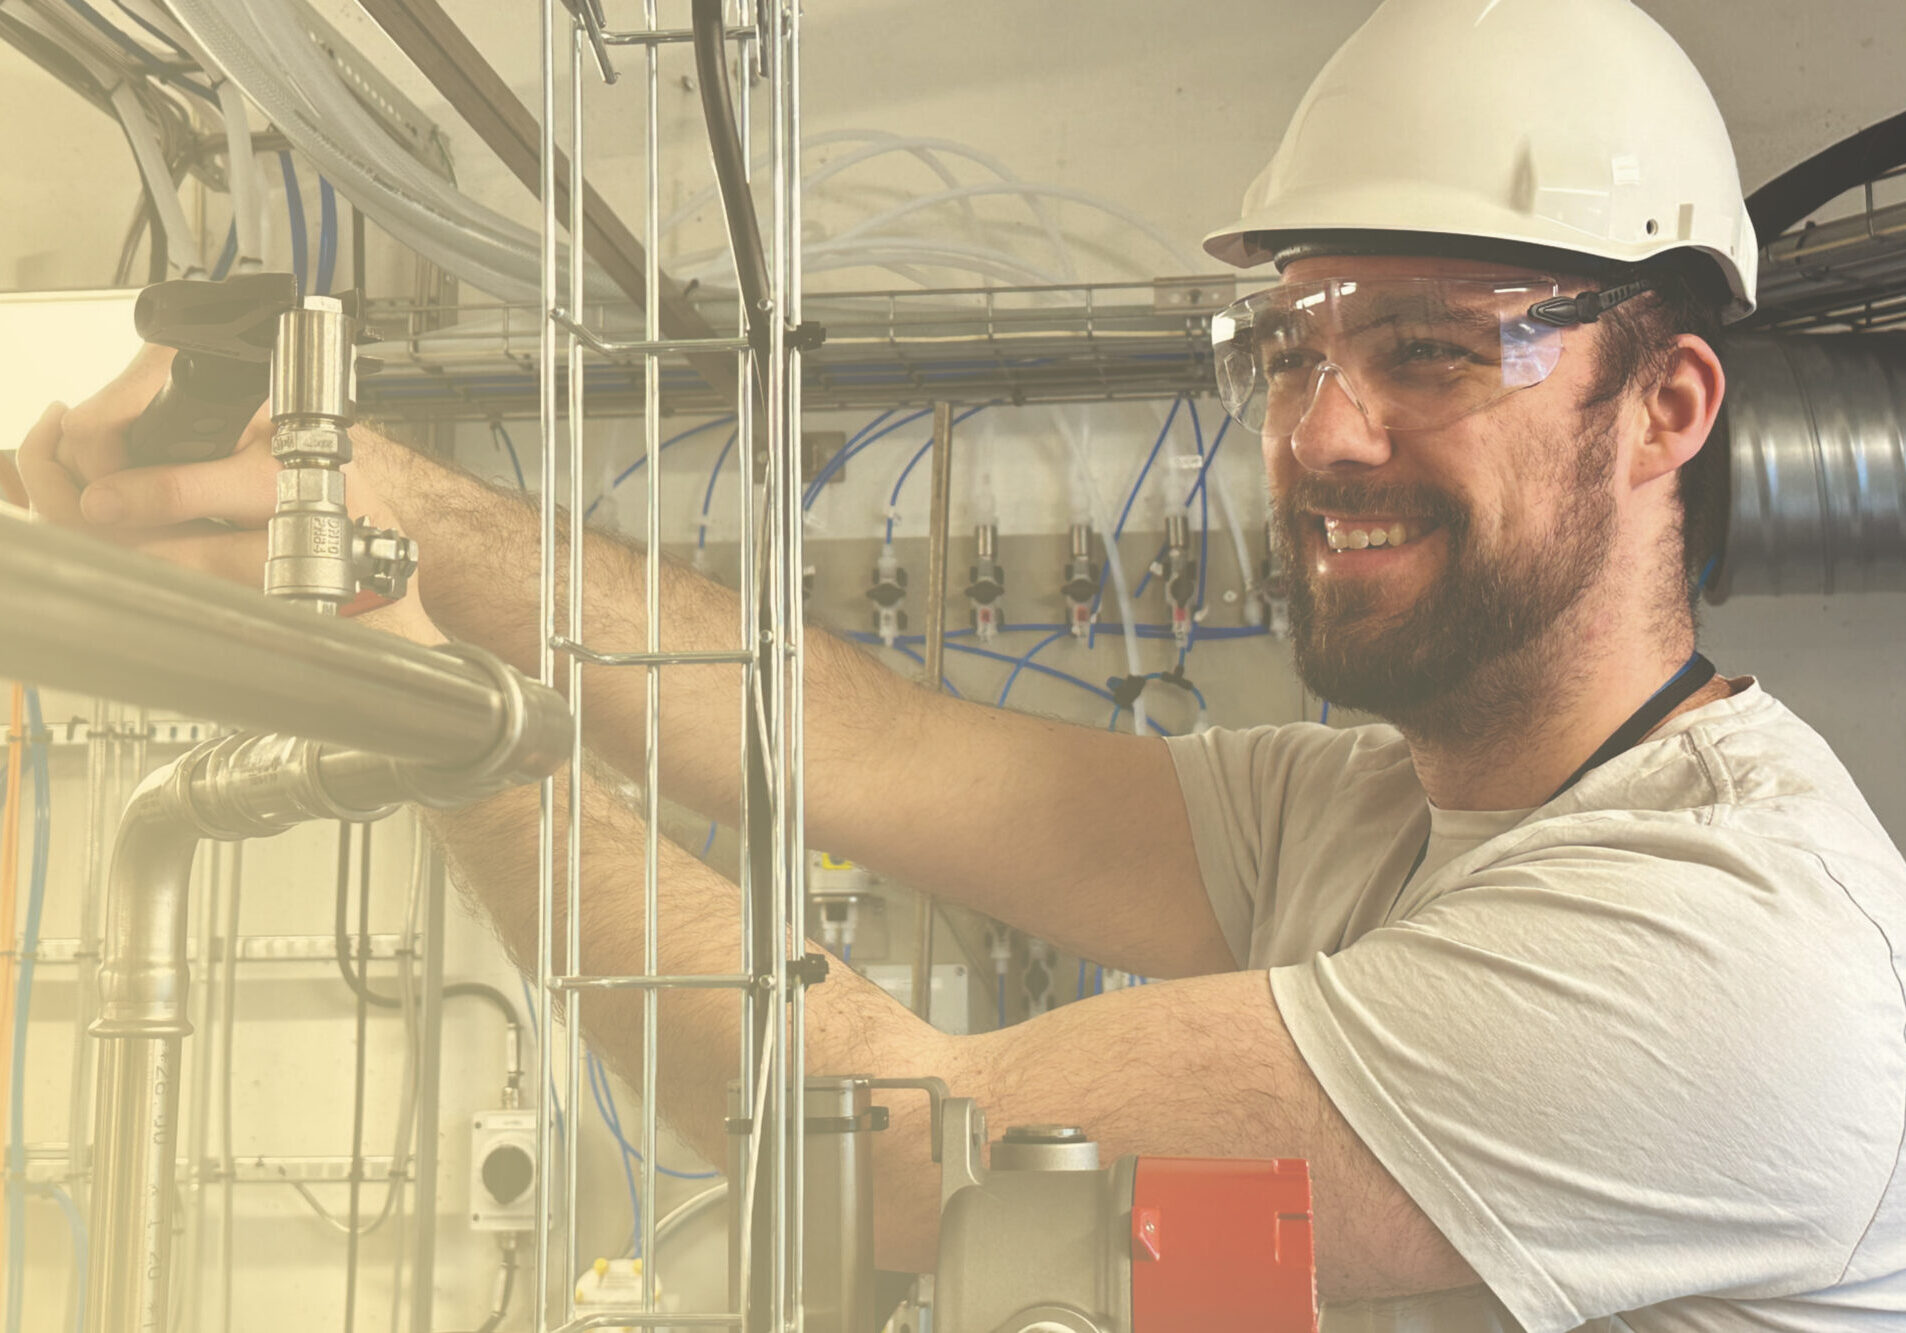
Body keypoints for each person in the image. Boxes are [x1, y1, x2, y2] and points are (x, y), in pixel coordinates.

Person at [13, 0, 1906, 1326]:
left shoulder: (1715, 940)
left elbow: (908, 1156)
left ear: (1663, 405)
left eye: (1429, 349)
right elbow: (887, 749)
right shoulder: (1380, 807)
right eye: (1290, 342)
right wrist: (409, 514)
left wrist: (455, 738)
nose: (1322, 432)